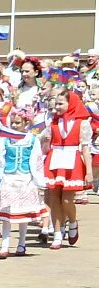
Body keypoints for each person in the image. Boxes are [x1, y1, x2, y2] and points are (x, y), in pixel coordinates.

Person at [42, 86, 89, 248]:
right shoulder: (53, 122)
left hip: (72, 159)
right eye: (56, 104)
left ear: (71, 104)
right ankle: (57, 232)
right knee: (54, 198)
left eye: (61, 104)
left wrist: (88, 171)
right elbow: (45, 141)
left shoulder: (81, 123)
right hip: (55, 159)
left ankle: (73, 222)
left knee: (67, 200)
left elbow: (85, 148)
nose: (57, 108)